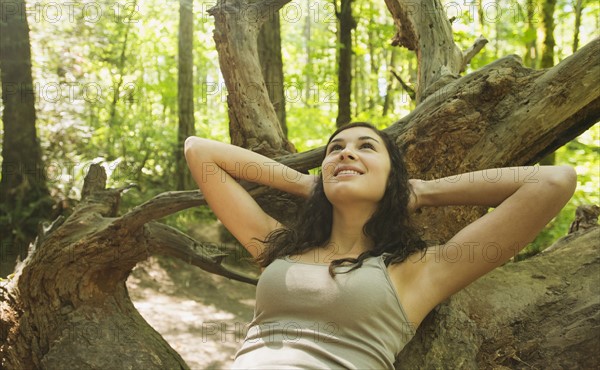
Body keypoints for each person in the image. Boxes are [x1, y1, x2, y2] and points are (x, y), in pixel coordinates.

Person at [184, 122, 577, 369]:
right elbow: (200, 151)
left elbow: (554, 182)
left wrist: (420, 191)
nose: (346, 152)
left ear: (394, 178)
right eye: (335, 150)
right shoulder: (279, 248)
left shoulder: (419, 269)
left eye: (366, 147)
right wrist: (310, 183)